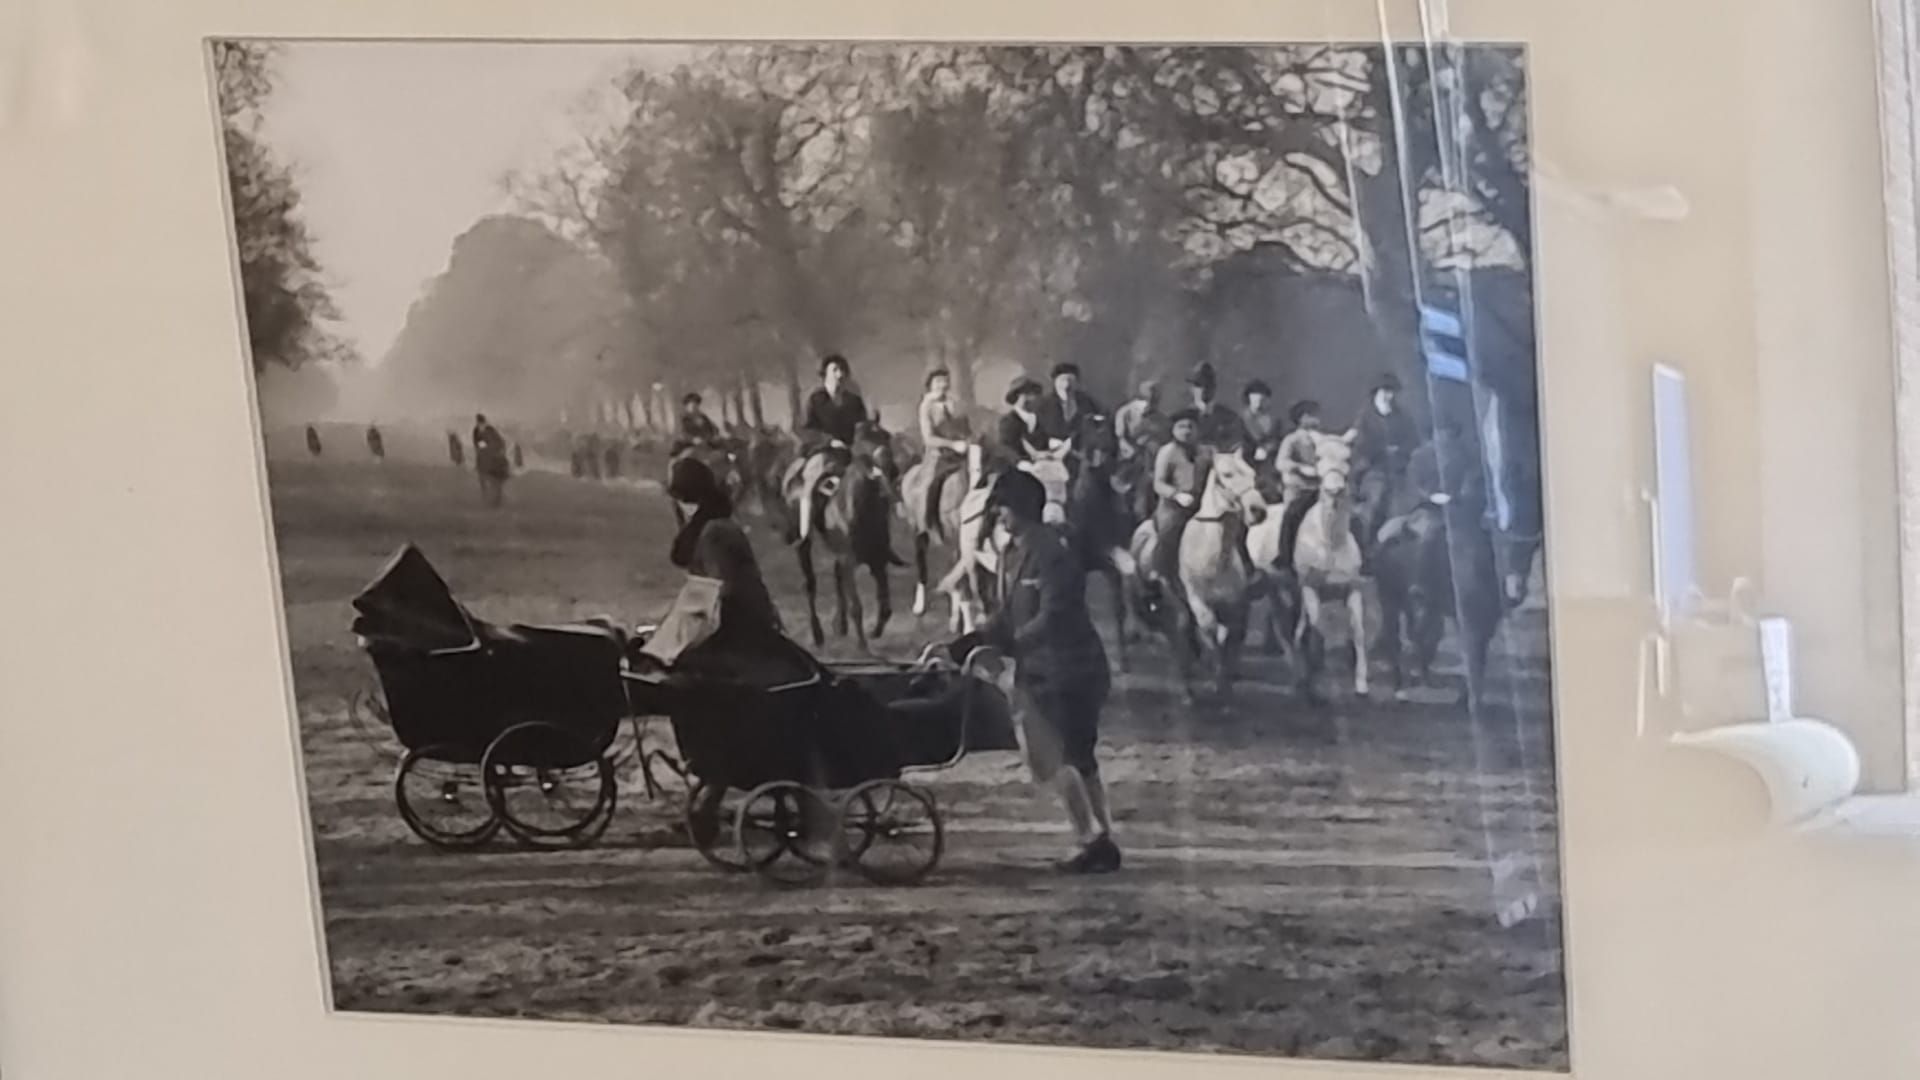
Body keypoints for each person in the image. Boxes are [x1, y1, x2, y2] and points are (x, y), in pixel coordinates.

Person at [951, 469, 1119, 874]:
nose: (999, 517)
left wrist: (1008, 644)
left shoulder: (1053, 553)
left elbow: (1055, 613)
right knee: (1078, 758)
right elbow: (1008, 613)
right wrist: (973, 637)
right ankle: (1102, 839)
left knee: (1054, 757)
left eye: (1003, 508)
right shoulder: (1013, 552)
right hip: (1044, 669)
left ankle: (1091, 840)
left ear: (1023, 509)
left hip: (1070, 669)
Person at [1351, 373, 1421, 543]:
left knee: (1408, 506)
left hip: (1399, 468)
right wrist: (1380, 450)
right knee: (1375, 504)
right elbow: (1360, 443)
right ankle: (1367, 545)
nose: (1388, 395)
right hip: (1374, 468)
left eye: (1391, 391)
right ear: (1376, 392)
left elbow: (1413, 439)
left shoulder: (1402, 416)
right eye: (1384, 391)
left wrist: (1401, 450)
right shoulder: (1365, 417)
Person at [1149, 409, 1206, 601]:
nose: (1187, 431)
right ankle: (1159, 574)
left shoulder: (1206, 452)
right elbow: (1158, 483)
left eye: (1191, 426)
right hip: (1174, 506)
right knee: (1170, 531)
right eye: (1181, 427)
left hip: (1201, 504)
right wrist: (1176, 495)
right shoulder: (1167, 452)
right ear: (1173, 430)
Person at [918, 367, 974, 536]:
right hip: (939, 454)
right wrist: (952, 445)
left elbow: (966, 427)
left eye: (945, 380)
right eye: (938, 381)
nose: (942, 385)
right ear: (930, 385)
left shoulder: (955, 403)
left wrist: (969, 440)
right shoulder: (926, 406)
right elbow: (929, 438)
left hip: (962, 452)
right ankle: (928, 522)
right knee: (932, 483)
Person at [1275, 400, 1330, 569]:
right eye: (1312, 416)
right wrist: (1300, 468)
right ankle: (1284, 557)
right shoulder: (1292, 440)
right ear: (1302, 418)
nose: (1317, 420)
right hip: (1299, 489)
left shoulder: (1322, 439)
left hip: (1320, 489)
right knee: (1292, 515)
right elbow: (1281, 462)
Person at [1038, 362, 1103, 447]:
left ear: (1077, 382)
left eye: (1071, 380)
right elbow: (1033, 432)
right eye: (1062, 380)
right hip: (1050, 453)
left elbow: (1101, 422)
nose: (1066, 385)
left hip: (1080, 452)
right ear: (1054, 382)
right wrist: (1048, 441)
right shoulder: (1043, 405)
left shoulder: (1087, 402)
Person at [995, 375, 1052, 470]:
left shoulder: (1040, 420)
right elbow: (1005, 448)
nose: (1033, 398)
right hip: (1015, 471)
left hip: (1042, 470)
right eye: (1028, 394)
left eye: (1034, 394)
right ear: (1017, 397)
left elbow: (1045, 444)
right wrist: (1019, 462)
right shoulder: (1008, 422)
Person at [1187, 363, 1243, 450]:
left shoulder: (1229, 417)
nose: (1204, 389)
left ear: (1214, 387)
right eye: (1199, 385)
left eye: (1208, 384)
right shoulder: (1181, 418)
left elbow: (1235, 444)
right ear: (1191, 389)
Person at [1113, 377, 1164, 463]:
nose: (1151, 402)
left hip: (1151, 463)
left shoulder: (1162, 420)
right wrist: (1134, 451)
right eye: (1148, 398)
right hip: (1129, 459)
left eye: (1155, 399)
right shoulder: (1126, 412)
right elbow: (1120, 437)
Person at [472, 413, 510, 508]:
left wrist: (496, 449)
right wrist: (485, 448)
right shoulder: (476, 431)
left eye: (482, 422)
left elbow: (500, 442)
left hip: (494, 457)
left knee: (497, 480)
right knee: (482, 477)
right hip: (484, 457)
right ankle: (485, 498)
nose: (480, 424)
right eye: (479, 422)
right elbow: (478, 444)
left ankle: (497, 500)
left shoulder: (490, 430)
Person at [1241, 380, 1282, 465]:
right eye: (1255, 401)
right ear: (1248, 400)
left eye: (1263, 400)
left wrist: (1269, 448)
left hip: (1270, 461)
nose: (1259, 404)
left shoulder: (1275, 421)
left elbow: (1278, 440)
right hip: (1246, 460)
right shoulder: (1241, 420)